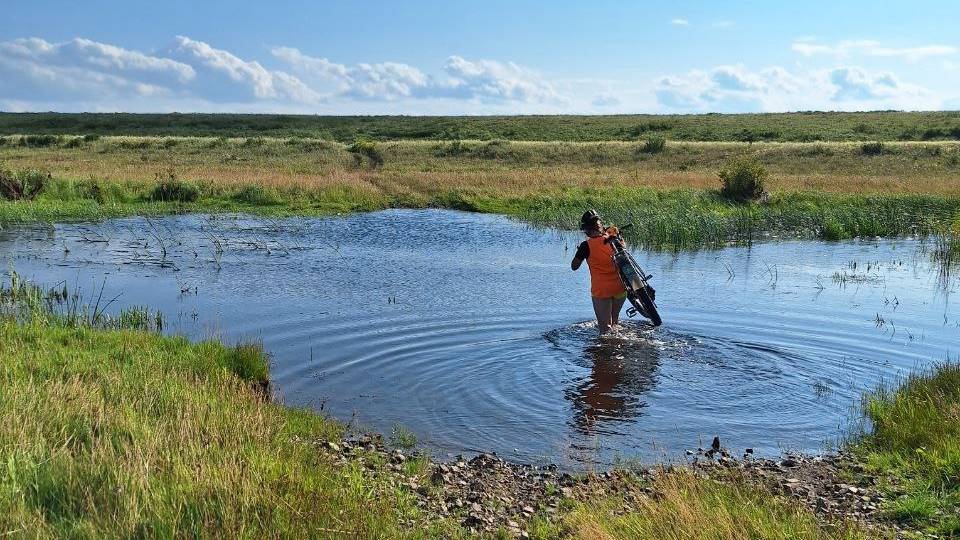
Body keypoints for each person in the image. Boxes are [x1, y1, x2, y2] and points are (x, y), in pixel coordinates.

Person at [570, 209, 626, 334]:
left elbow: (574, 266)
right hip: (620, 288)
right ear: (600, 225)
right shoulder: (613, 238)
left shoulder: (586, 246)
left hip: (602, 291)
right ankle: (619, 346)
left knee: (605, 330)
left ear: (587, 230)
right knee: (615, 323)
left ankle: (607, 350)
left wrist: (581, 252)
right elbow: (624, 252)